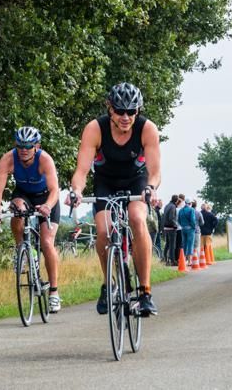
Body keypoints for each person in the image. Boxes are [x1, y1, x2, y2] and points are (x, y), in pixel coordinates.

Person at [66, 82, 160, 316]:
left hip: (136, 181)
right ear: (110, 108)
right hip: (105, 182)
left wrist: (150, 188)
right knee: (103, 230)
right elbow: (81, 171)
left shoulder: (147, 129)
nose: (126, 117)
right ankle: (109, 283)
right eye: (120, 111)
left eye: (132, 111)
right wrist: (76, 191)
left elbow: (155, 171)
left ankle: (145, 292)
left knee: (137, 219)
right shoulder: (94, 129)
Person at [0, 126, 62, 313]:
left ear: (36, 146)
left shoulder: (45, 159)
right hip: (24, 195)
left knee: (47, 242)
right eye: (20, 145)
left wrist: (47, 205)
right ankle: (21, 248)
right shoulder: (8, 159)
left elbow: (55, 189)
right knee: (17, 209)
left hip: (46, 197)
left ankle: (54, 292)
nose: (23, 150)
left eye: (28, 146)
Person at [162, 195, 179, 265]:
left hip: (165, 227)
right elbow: (171, 218)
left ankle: (165, 258)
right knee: (172, 245)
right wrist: (176, 226)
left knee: (167, 244)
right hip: (171, 227)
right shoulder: (173, 206)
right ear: (176, 200)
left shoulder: (167, 205)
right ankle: (172, 261)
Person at [178, 198, 196, 264]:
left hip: (183, 228)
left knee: (184, 244)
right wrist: (194, 227)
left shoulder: (181, 210)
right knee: (190, 244)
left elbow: (178, 220)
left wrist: (182, 226)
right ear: (190, 203)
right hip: (190, 229)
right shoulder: (191, 210)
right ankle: (189, 261)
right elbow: (193, 220)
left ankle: (183, 260)